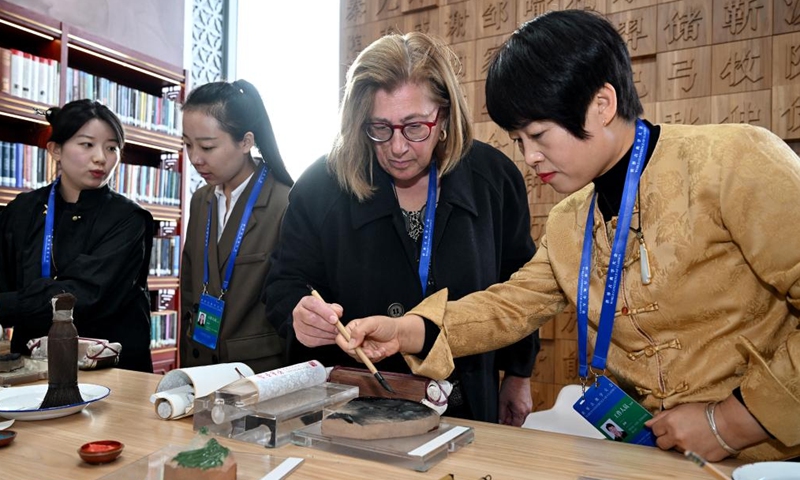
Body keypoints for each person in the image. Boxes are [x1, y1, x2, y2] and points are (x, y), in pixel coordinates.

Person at [338, 10, 800, 462]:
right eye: (520, 141)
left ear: (601, 104)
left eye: (539, 134)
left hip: (769, 456)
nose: (531, 157)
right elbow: (509, 306)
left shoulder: (733, 163)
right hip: (655, 456)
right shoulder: (569, 221)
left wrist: (733, 421)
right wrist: (407, 330)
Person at [263, 31, 540, 426]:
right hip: (351, 408)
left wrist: (519, 374)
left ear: (443, 116)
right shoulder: (322, 185)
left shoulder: (492, 178)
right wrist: (298, 315)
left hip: (463, 402)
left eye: (414, 127)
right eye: (380, 128)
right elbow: (283, 282)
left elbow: (520, 286)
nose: (397, 147)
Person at [0, 99, 154, 372]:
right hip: (32, 366)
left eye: (112, 147)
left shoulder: (129, 218)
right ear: (55, 149)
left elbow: (85, 294)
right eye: (87, 144)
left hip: (109, 368)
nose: (101, 158)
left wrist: (12, 305)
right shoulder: (21, 211)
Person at [180, 79, 292, 373]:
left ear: (246, 141)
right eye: (188, 145)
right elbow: (190, 288)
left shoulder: (285, 202)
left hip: (257, 371)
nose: (195, 158)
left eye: (207, 146)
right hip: (200, 360)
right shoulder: (201, 200)